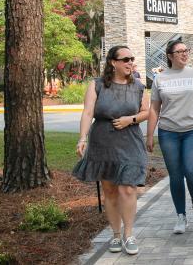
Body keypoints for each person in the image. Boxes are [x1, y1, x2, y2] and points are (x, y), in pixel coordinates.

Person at [73, 45, 149, 255]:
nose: (130, 63)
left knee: (128, 188)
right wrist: (82, 138)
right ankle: (116, 234)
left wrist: (129, 120)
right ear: (113, 63)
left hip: (130, 140)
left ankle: (129, 234)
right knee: (110, 190)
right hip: (103, 142)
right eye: (125, 59)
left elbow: (146, 112)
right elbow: (88, 113)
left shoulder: (138, 86)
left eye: (132, 59)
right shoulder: (97, 85)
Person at [147, 40, 193, 234]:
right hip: (168, 132)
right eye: (179, 51)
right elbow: (154, 108)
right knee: (176, 175)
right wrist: (149, 135)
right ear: (170, 56)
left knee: (192, 170)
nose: (184, 54)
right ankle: (181, 216)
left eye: (186, 50)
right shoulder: (160, 79)